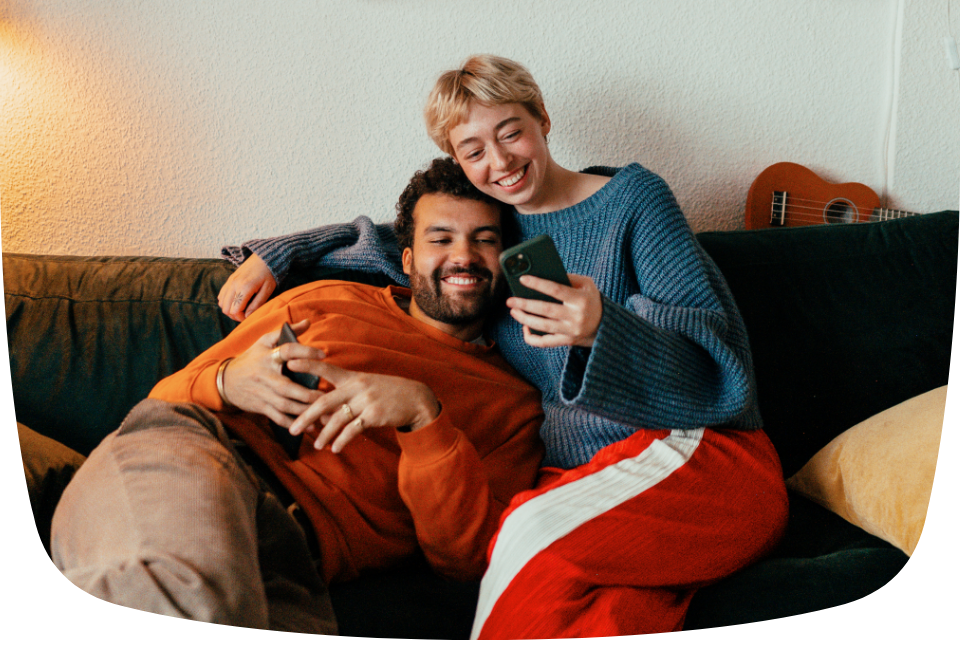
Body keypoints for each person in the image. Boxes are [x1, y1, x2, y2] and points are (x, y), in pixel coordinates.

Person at [215, 55, 789, 639]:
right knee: (603, 619)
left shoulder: (634, 200)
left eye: (511, 132)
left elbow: (725, 372)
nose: (500, 162)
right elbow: (393, 243)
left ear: (541, 118)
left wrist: (602, 329)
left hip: (701, 455)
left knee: (526, 535)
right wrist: (277, 254)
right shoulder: (496, 238)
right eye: (474, 151)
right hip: (587, 481)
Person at [50, 156, 545, 634]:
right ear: (408, 258)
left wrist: (423, 416)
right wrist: (228, 381)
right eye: (443, 238)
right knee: (180, 587)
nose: (463, 256)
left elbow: (462, 561)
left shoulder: (515, 404)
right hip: (203, 454)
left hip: (299, 558)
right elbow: (164, 398)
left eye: (484, 240)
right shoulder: (327, 300)